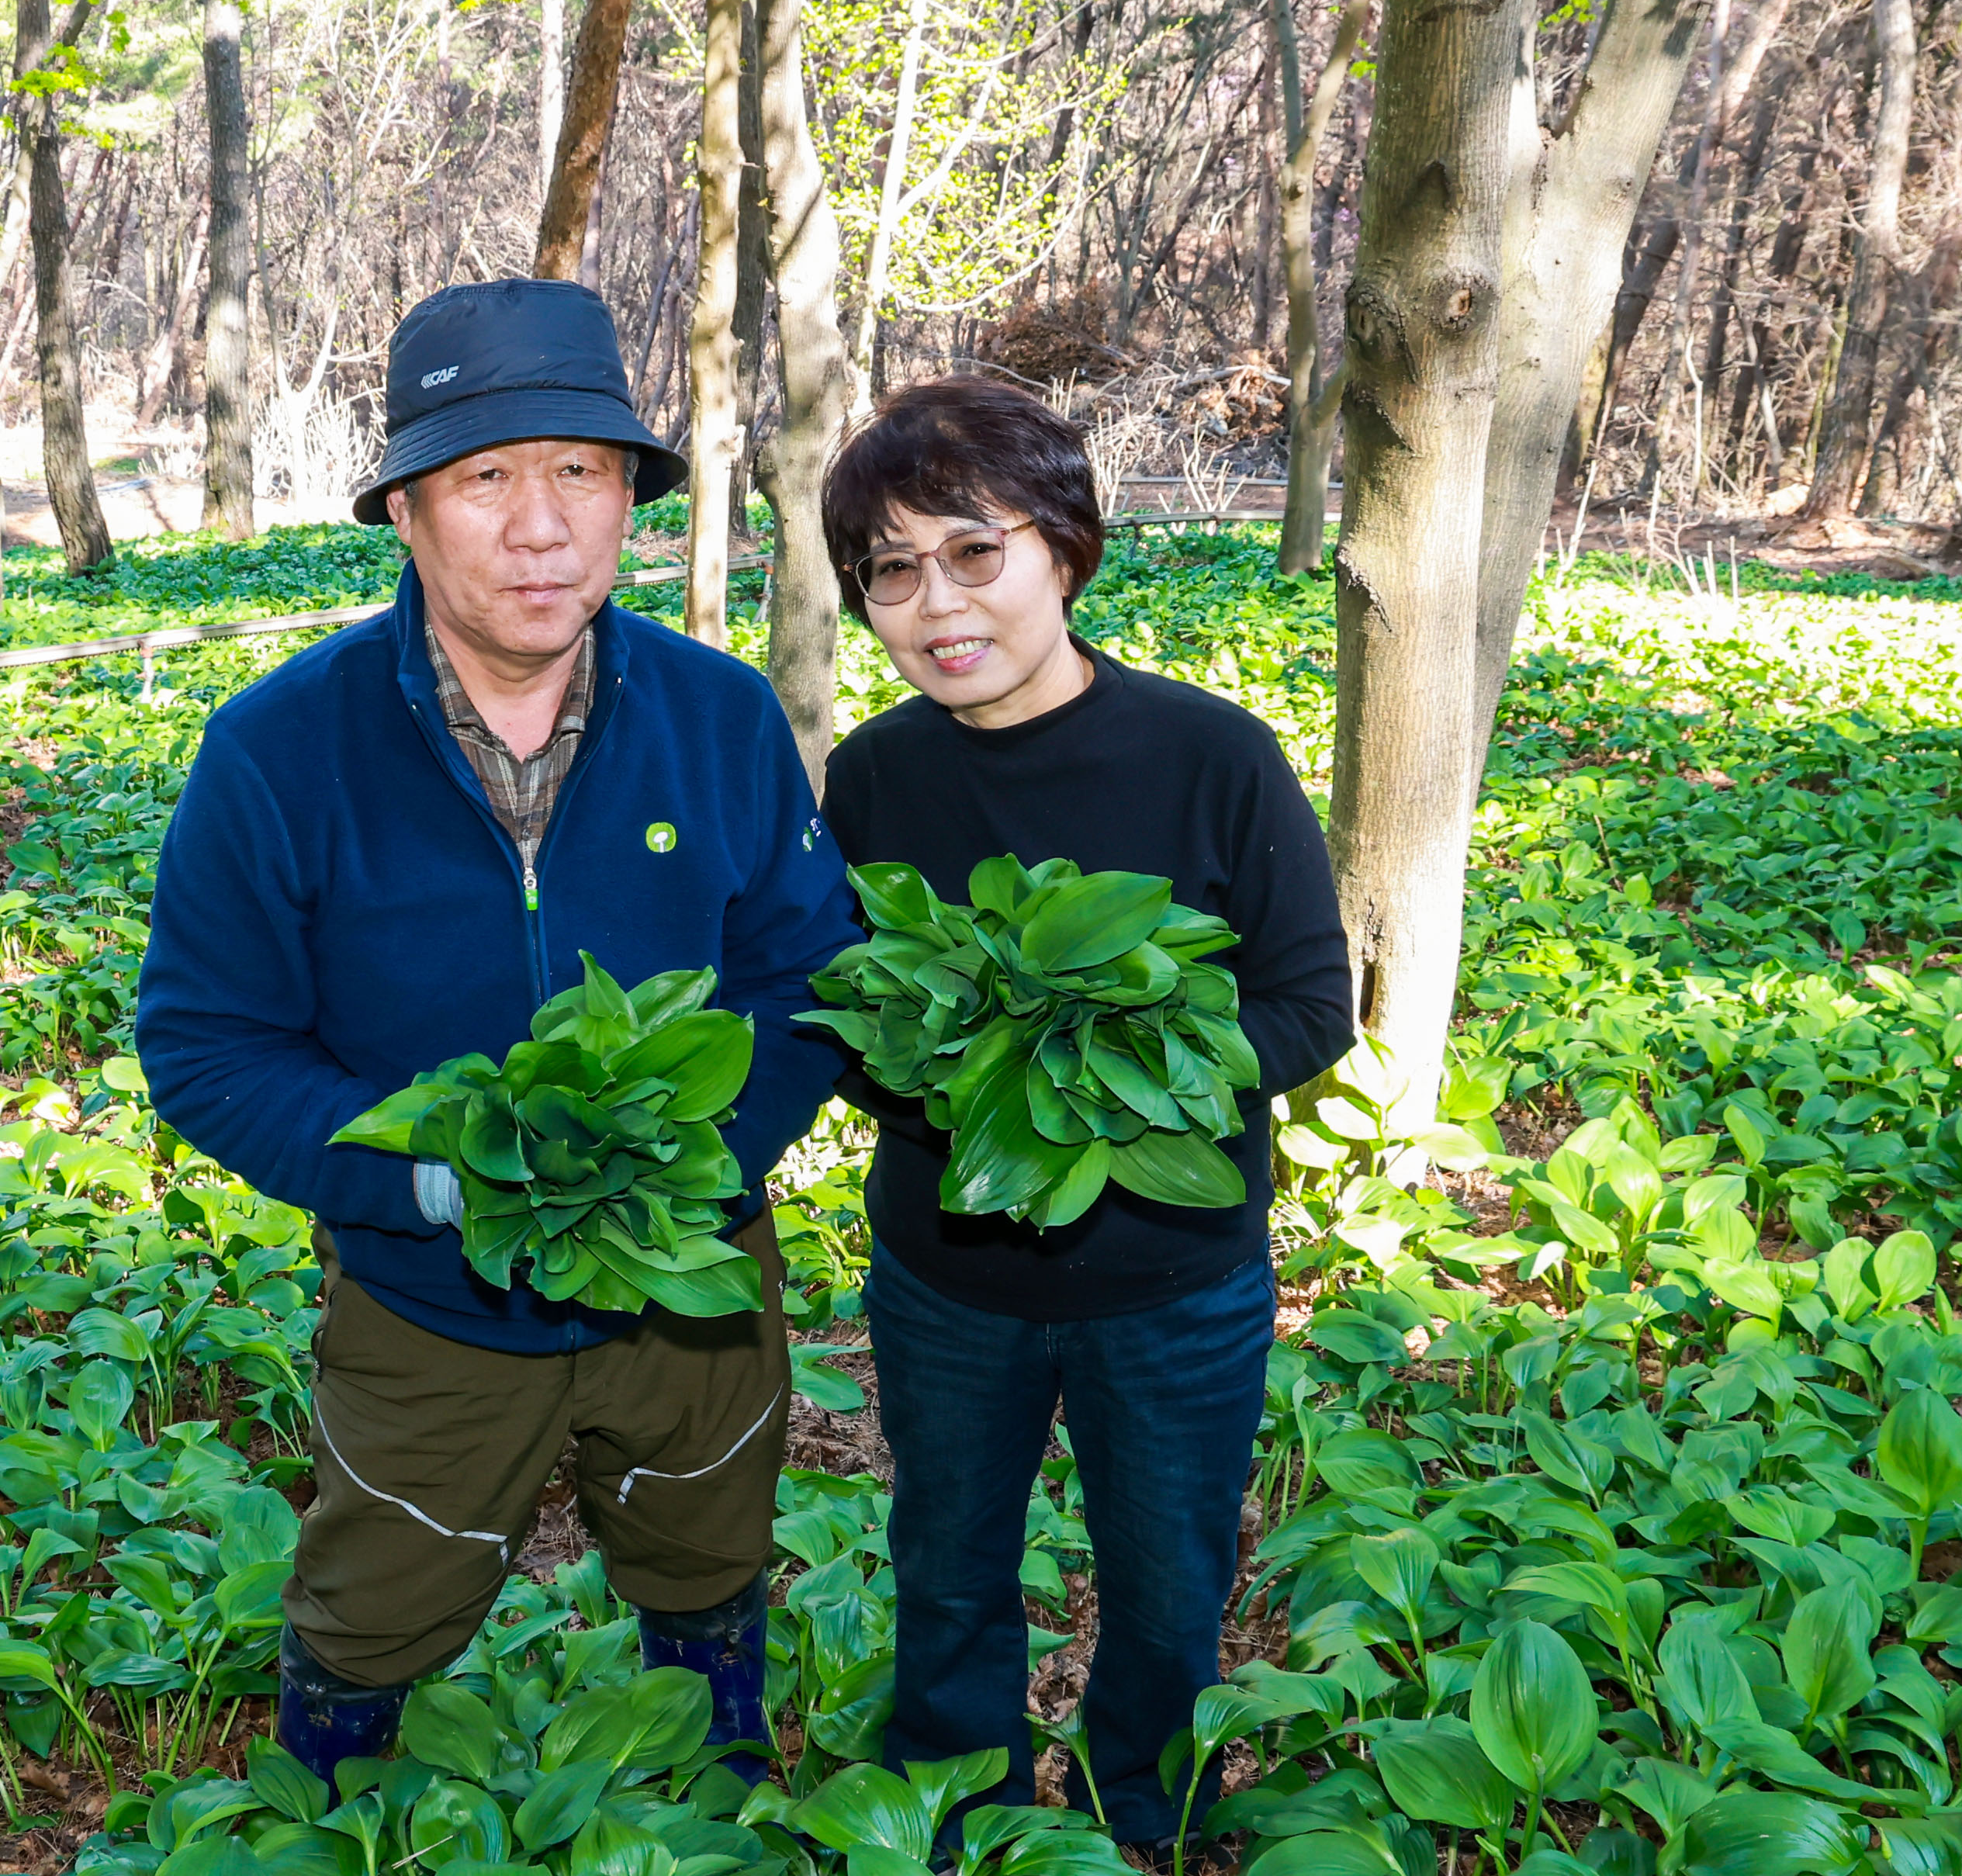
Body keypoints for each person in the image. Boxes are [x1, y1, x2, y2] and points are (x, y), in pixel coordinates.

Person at [137, 279, 859, 1783]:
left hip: (692, 1291)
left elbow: (810, 971)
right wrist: (426, 1184)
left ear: (630, 498)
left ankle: (713, 1786)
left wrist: (700, 1168)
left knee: (709, 1556)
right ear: (405, 508)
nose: (543, 528)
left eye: (582, 473)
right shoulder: (280, 751)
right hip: (426, 1297)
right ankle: (332, 1800)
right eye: (487, 478)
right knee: (370, 1607)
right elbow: (206, 1044)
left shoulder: (721, 721)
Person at [815, 378, 1355, 1852]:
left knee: (1171, 1587)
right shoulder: (872, 778)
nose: (939, 604)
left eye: (977, 553)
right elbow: (845, 1022)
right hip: (949, 1281)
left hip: (1173, 1283)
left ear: (1067, 547)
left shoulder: (1211, 757)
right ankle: (960, 1809)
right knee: (947, 1570)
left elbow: (1313, 1011)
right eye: (895, 572)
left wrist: (1096, 1072)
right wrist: (953, 1070)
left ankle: (1147, 1821)